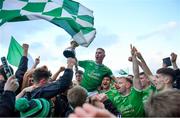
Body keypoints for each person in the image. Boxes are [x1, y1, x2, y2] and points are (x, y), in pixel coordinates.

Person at [100, 45, 145, 117]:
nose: (116, 85)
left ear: (128, 85)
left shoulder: (136, 93)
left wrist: (134, 57)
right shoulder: (114, 98)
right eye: (116, 83)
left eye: (120, 83)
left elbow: (136, 75)